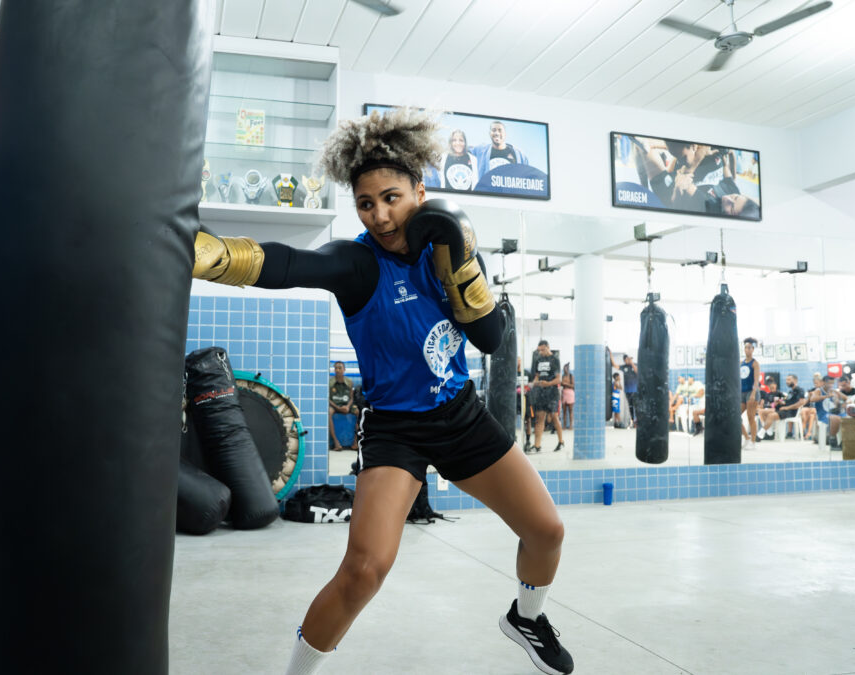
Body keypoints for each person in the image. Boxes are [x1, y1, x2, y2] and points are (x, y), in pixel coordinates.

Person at [192, 107, 572, 675]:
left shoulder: (449, 247)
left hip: (461, 416)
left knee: (546, 530)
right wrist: (209, 256)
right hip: (397, 427)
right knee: (366, 566)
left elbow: (491, 339)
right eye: (366, 203)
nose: (380, 215)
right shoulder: (356, 263)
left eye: (392, 197)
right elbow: (291, 262)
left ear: (420, 189)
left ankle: (527, 617)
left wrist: (461, 264)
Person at [529, 340, 564, 453]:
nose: (541, 352)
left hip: (552, 392)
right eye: (539, 350)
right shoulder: (538, 360)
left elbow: (559, 379)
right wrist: (533, 383)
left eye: (543, 350)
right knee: (539, 418)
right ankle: (537, 445)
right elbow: (537, 376)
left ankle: (561, 441)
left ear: (548, 347)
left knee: (554, 417)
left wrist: (548, 384)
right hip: (540, 392)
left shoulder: (555, 360)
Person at [328, 361, 358, 451]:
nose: (337, 370)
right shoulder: (330, 382)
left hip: (346, 406)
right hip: (334, 406)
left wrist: (348, 407)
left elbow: (351, 398)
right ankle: (336, 443)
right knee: (328, 412)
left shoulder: (349, 382)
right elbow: (328, 399)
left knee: (358, 412)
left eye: (340, 368)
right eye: (336, 368)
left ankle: (355, 442)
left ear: (344, 370)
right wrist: (338, 408)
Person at [740, 338, 761, 449]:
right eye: (746, 348)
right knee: (735, 417)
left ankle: (753, 442)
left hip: (752, 392)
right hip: (741, 393)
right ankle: (746, 438)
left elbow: (756, 381)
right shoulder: (741, 363)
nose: (747, 350)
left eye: (749, 348)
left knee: (750, 417)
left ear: (753, 349)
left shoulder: (755, 364)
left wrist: (753, 394)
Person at [775, 374, 807, 439]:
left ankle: (769, 433)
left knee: (772, 415)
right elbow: (787, 401)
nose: (787, 381)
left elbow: (801, 402)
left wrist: (786, 408)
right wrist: (781, 402)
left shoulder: (800, 390)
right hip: (788, 411)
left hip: (792, 413)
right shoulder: (790, 391)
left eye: (789, 380)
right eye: (786, 380)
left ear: (795, 380)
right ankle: (788, 433)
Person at [615, 354, 638, 428]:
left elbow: (637, 371)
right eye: (627, 359)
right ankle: (632, 420)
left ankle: (637, 421)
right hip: (627, 390)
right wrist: (611, 356)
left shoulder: (634, 365)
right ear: (625, 360)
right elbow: (615, 366)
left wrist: (631, 363)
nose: (628, 360)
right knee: (630, 406)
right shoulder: (623, 367)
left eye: (629, 359)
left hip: (635, 390)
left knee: (636, 406)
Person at [800, 373, 822, 441]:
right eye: (814, 383)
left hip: (819, 408)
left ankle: (809, 432)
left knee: (812, 413)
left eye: (817, 383)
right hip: (810, 407)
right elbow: (806, 403)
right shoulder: (811, 390)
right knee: (804, 411)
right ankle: (802, 432)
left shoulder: (823, 390)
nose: (816, 384)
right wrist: (809, 397)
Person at [560, 363, 574, 430]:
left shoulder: (571, 376)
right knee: (564, 411)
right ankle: (564, 425)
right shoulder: (563, 376)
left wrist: (565, 384)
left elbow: (573, 386)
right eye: (563, 369)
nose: (564, 370)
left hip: (570, 393)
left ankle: (571, 425)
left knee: (570, 410)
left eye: (565, 368)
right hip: (564, 393)